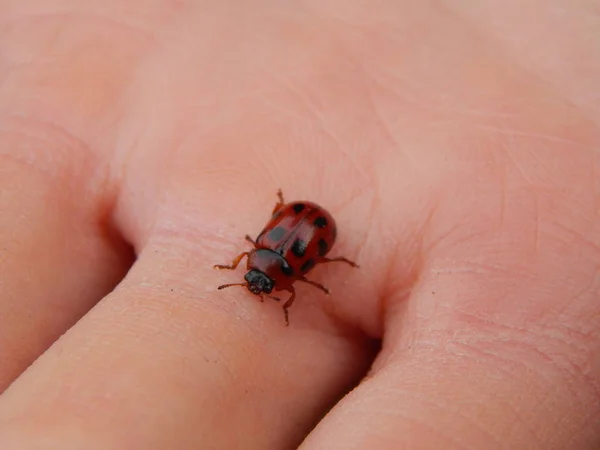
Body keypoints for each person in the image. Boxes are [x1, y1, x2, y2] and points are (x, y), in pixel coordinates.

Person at [0, 1, 598, 448]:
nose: (259, 285)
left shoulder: (275, 255)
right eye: (260, 281)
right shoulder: (272, 256)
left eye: (261, 281)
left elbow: (296, 261)